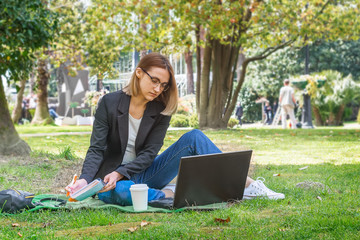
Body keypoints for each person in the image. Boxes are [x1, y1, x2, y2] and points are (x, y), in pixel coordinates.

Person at [65, 53, 284, 206]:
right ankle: (172, 194)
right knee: (124, 191)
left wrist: (123, 171)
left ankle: (248, 186)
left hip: (146, 172)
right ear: (139, 73)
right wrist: (86, 179)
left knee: (194, 137)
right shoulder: (109, 103)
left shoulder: (160, 109)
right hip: (111, 180)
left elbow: (150, 153)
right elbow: (96, 149)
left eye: (163, 85)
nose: (158, 89)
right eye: (154, 81)